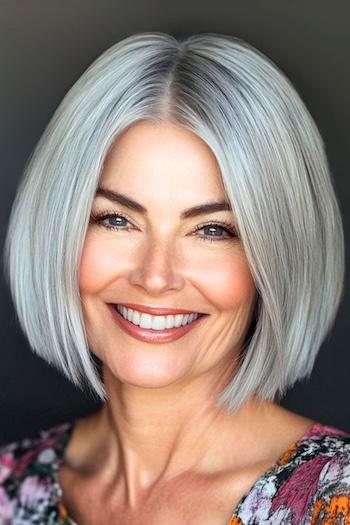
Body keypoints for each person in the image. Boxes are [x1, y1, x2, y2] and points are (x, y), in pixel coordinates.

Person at [0, 31, 349, 525]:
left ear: (276, 258)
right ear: (58, 230)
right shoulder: (9, 490)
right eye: (116, 220)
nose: (155, 276)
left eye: (211, 229)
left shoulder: (334, 500)